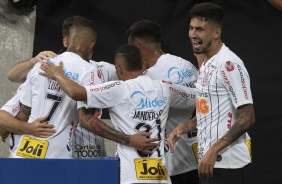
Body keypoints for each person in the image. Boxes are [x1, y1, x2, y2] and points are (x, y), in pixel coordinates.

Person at [40, 44, 196, 184]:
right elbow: (198, 97)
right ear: (142, 65)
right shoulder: (165, 88)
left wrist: (57, 74)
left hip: (131, 177)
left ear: (119, 69)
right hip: (161, 177)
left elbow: (76, 92)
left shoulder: (119, 89)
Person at [6, 16, 119, 159]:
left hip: (27, 150)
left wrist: (12, 128)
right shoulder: (90, 71)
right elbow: (87, 119)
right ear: (91, 44)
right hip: (59, 153)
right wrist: (127, 139)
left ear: (67, 40)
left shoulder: (42, 65)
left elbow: (23, 112)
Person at [168, 2, 255, 184]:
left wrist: (214, 149)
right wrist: (185, 126)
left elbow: (248, 116)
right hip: (209, 164)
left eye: (200, 29)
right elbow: (210, 112)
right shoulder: (207, 63)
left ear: (216, 32)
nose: (193, 34)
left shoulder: (229, 64)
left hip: (229, 166)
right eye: (191, 28)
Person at [127, 20, 199, 184]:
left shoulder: (151, 78)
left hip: (176, 162)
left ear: (137, 46)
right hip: (200, 157)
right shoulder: (186, 65)